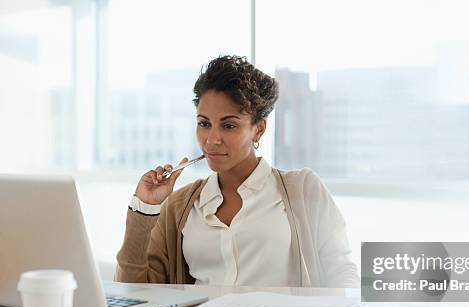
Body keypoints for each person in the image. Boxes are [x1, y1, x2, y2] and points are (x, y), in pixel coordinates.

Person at [115, 55, 358, 288]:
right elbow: (134, 292)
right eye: (204, 124)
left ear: (258, 130)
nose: (211, 140)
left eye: (229, 126)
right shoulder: (180, 206)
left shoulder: (303, 189)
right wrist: (145, 207)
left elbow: (342, 273)